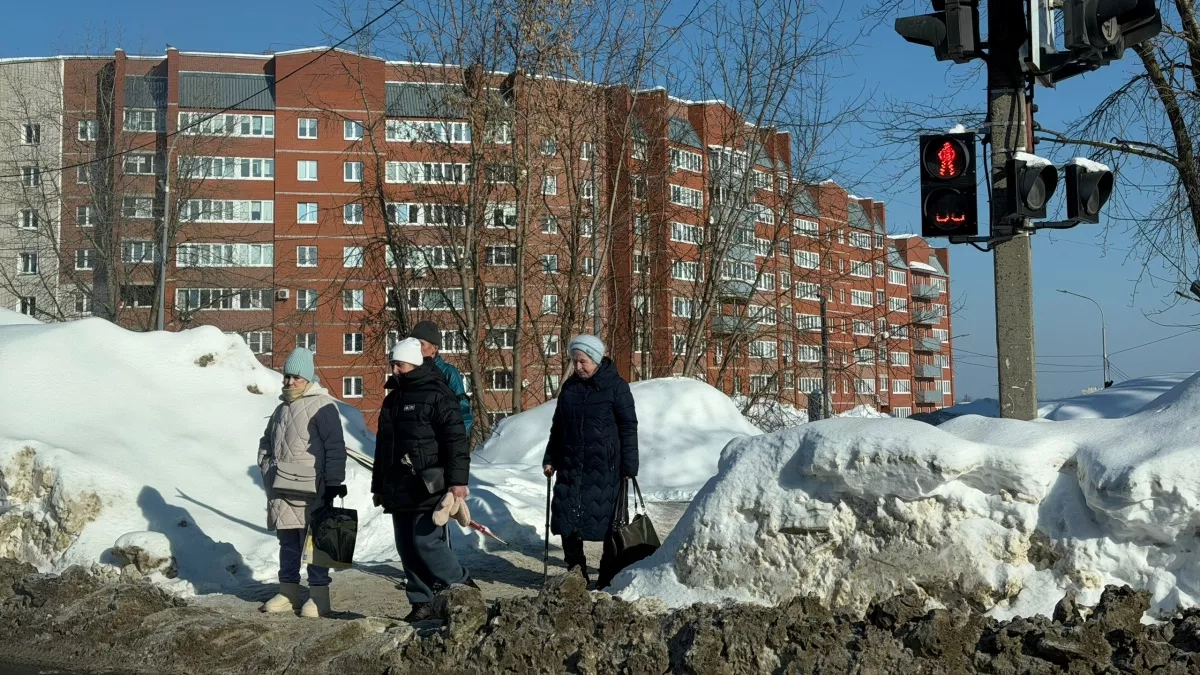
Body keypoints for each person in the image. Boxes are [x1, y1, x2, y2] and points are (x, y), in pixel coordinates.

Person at [372, 337, 475, 622]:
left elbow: (455, 441)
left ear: (415, 364)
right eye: (393, 364)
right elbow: (383, 447)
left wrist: (457, 482)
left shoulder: (437, 395)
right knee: (406, 546)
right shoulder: (392, 400)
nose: (395, 370)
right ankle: (422, 602)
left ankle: (463, 587)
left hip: (429, 483)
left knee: (427, 543)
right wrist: (379, 486)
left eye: (400, 364)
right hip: (397, 486)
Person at [541, 335, 639, 588]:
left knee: (609, 524)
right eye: (574, 362)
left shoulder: (617, 387)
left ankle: (607, 575)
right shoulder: (570, 388)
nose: (578, 367)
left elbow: (628, 428)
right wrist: (551, 457)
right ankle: (576, 573)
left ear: (595, 360)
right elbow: (558, 427)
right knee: (566, 520)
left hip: (605, 469)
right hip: (571, 466)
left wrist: (630, 466)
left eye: (582, 361)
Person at [257, 347, 347, 618]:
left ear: (308, 378)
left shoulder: (323, 406)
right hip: (282, 487)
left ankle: (319, 595)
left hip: (313, 488)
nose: (290, 382)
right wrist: (267, 467)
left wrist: (333, 482)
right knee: (288, 541)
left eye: (296, 377)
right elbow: (266, 443)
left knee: (315, 541)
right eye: (287, 376)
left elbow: (335, 447)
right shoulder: (281, 409)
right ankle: (289, 591)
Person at [408, 320, 474, 441]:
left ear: (434, 348)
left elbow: (463, 411)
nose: (416, 348)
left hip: (441, 446)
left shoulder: (449, 373)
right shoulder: (409, 373)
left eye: (421, 344)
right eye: (414, 344)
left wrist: (456, 443)